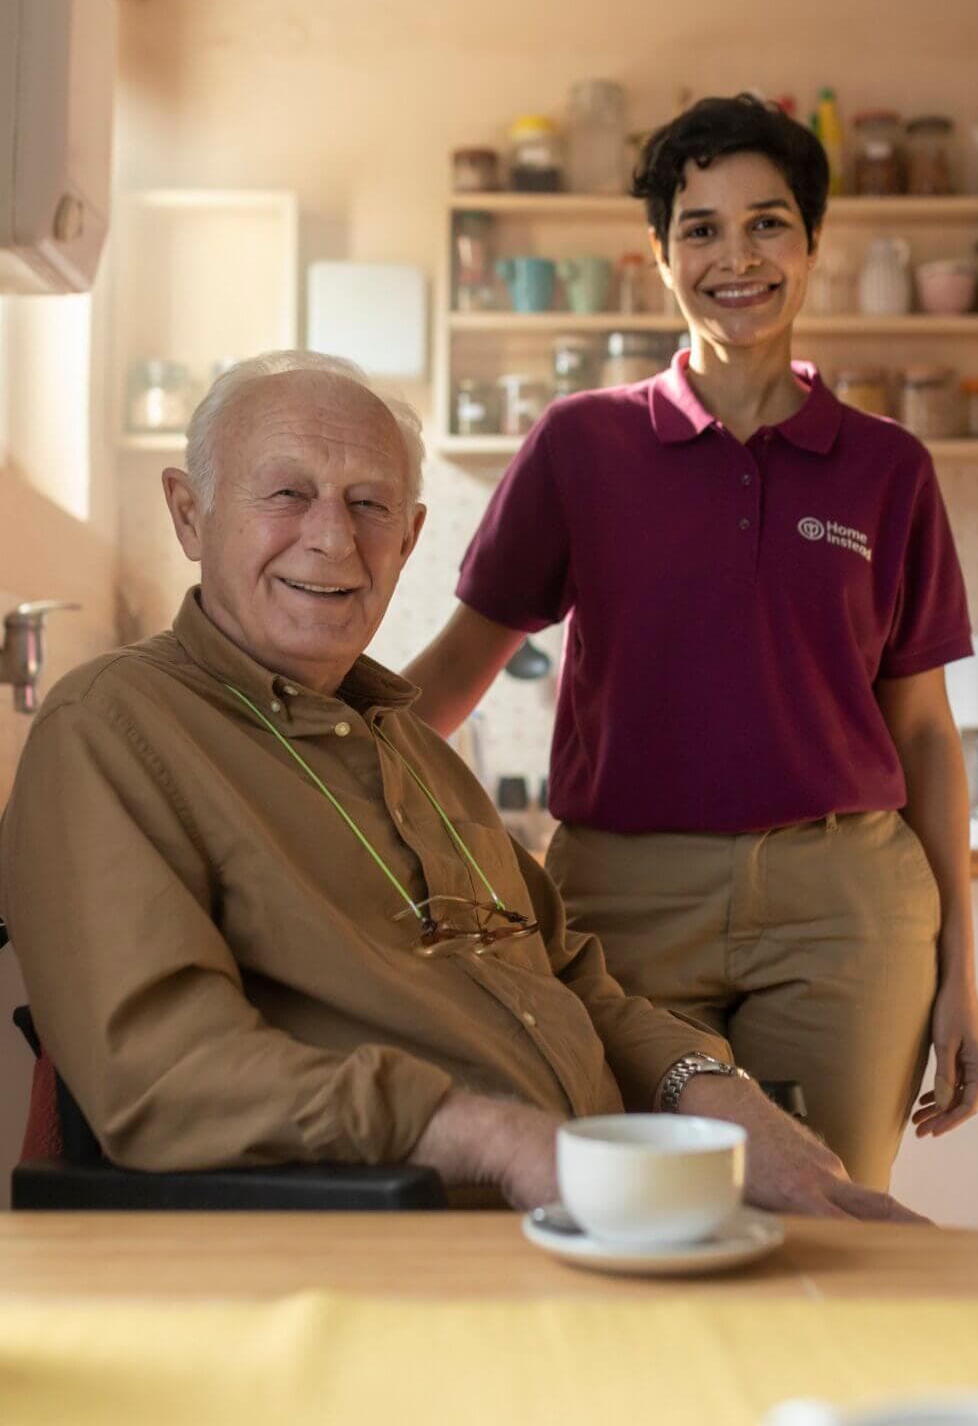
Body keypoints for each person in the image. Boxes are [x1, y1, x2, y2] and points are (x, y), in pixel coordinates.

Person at [0, 349, 923, 1221]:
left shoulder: (418, 751)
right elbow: (163, 1074)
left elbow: (572, 981)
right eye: (287, 494)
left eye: (370, 505)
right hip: (413, 1244)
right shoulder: (111, 728)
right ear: (189, 512)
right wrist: (494, 1139)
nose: (333, 538)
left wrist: (716, 1092)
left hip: (598, 1214)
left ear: (409, 540)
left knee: (898, 1293)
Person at [404, 95, 978, 1191]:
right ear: (658, 255)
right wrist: (290, 769)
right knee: (632, 1208)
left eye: (768, 223)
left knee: (826, 1217)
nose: (737, 256)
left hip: (845, 910)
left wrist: (962, 971)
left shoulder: (887, 467)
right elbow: (453, 670)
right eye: (701, 227)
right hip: (620, 907)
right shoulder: (580, 445)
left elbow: (921, 732)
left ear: (814, 245)